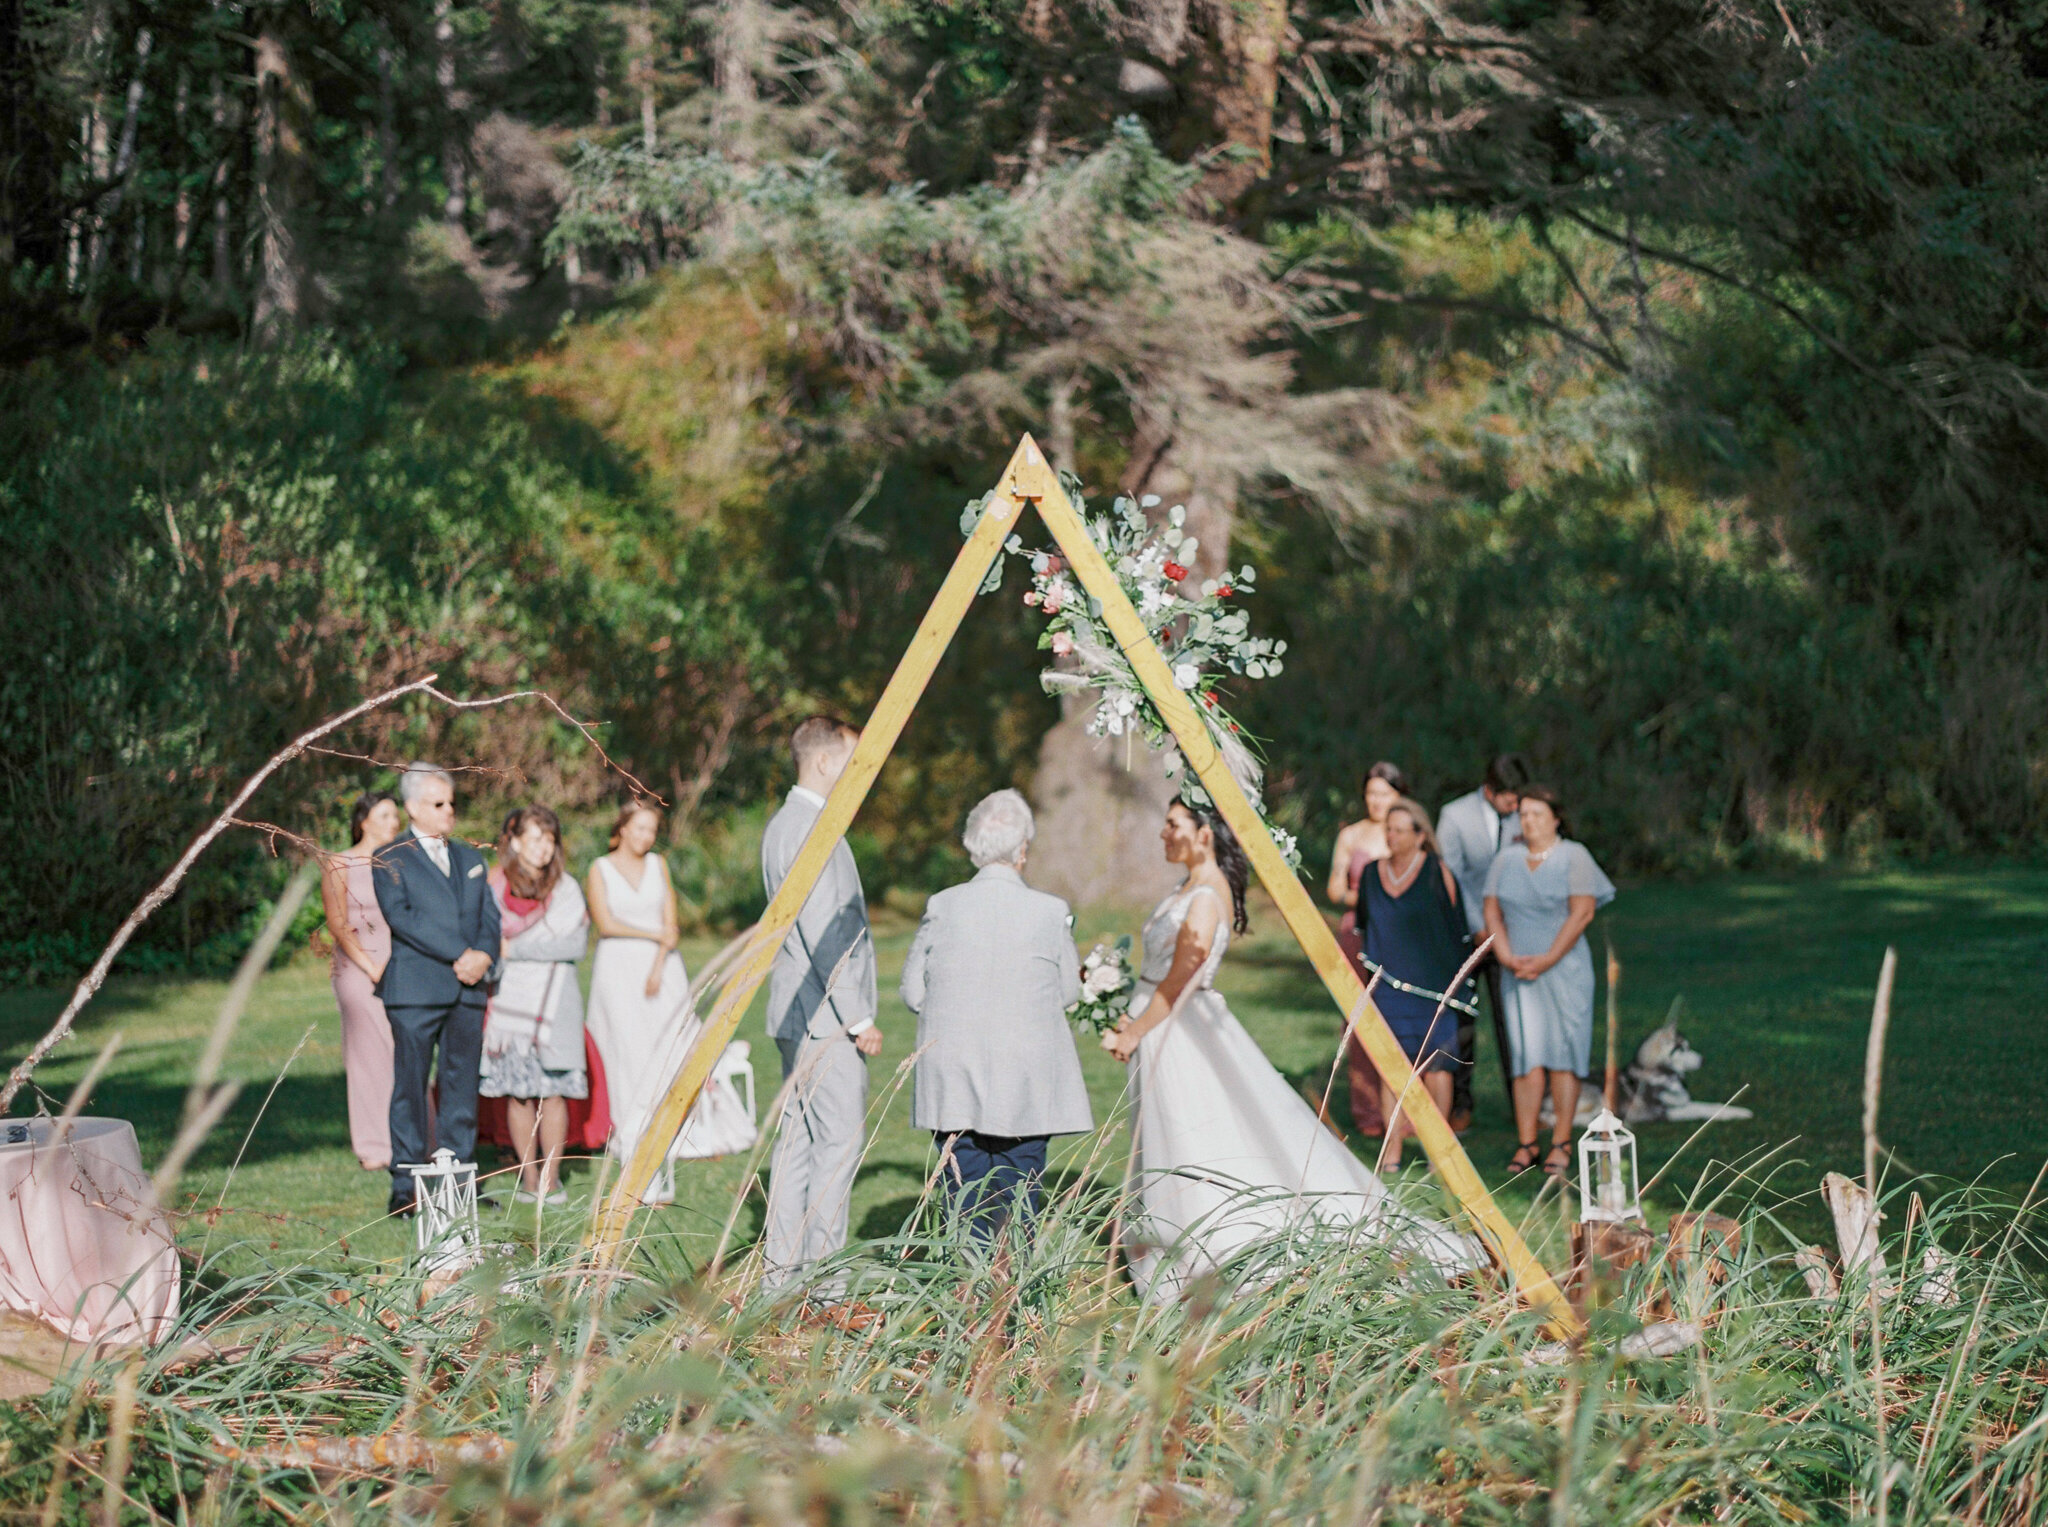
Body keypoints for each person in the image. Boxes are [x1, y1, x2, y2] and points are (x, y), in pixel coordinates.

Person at [1105, 801, 1479, 1302]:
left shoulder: (1204, 896)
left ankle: (1200, 1244)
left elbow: (1185, 971)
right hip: (1167, 1024)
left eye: (1173, 824)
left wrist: (1135, 1030)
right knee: (1180, 1130)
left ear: (1203, 835)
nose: (1163, 832)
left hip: (1177, 1027)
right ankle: (1170, 1236)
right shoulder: (1190, 887)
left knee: (1191, 1130)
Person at [899, 789, 1089, 1243]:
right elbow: (1069, 991)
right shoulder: (1050, 910)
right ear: (1022, 849)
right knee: (1020, 1183)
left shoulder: (942, 905)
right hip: (1024, 1073)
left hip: (954, 1069)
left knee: (961, 1182)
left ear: (972, 847)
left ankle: (964, 1287)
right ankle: (1010, 1291)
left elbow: (911, 991)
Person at [760, 716, 882, 1297]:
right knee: (836, 1144)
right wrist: (858, 1016)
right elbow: (823, 930)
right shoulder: (811, 827)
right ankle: (826, 1285)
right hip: (824, 1014)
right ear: (826, 761)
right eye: (852, 760)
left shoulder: (783, 823)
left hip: (795, 1008)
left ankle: (781, 1277)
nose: (859, 773)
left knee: (798, 1147)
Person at [586, 801, 755, 1205]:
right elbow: (606, 923)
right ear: (622, 827)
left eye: (651, 830)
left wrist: (659, 963)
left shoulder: (659, 865)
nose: (645, 837)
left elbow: (671, 925)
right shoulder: (600, 868)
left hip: (662, 970)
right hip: (618, 969)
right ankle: (631, 1132)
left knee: (673, 1046)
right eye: (639, 827)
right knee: (627, 1051)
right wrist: (652, 938)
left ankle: (687, 1130)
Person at [371, 762, 501, 1218]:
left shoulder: (471, 857)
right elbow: (404, 918)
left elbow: (490, 916)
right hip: (415, 990)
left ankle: (460, 1177)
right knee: (410, 1085)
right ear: (412, 807)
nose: (450, 810)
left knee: (462, 1084)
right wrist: (461, 954)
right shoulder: (390, 856)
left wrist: (483, 954)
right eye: (438, 803)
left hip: (467, 991)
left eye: (451, 802)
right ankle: (405, 1185)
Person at [1482, 784, 1616, 1179]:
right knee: (1525, 1058)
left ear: (1556, 817)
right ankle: (1527, 1143)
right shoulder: (1506, 859)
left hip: (1564, 971)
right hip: (1517, 969)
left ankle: (1560, 1142)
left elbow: (1582, 914)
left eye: (1537, 813)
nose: (1529, 821)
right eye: (1523, 814)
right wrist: (1505, 955)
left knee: (1563, 1056)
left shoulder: (1575, 856)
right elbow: (1491, 910)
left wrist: (1547, 960)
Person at [1355, 799, 1476, 1173]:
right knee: (1391, 1067)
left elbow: (1457, 927)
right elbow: (1363, 922)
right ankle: (1391, 1151)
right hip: (1388, 986)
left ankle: (1438, 1151)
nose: (1391, 836)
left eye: (1400, 830)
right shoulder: (1372, 874)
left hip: (1434, 988)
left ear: (1420, 835)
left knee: (1438, 1068)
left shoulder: (1438, 871)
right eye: (1388, 830)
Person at [481, 805, 589, 1206]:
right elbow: (488, 943)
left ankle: (552, 1178)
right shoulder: (494, 887)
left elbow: (573, 945)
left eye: (550, 838)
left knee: (553, 1093)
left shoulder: (567, 889)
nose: (544, 847)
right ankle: (529, 1179)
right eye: (536, 836)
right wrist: (510, 950)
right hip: (509, 1008)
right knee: (518, 1094)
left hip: (556, 1003)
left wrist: (516, 948)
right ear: (514, 840)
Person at [1437, 753, 1530, 1122]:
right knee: (1462, 1022)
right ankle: (1461, 1104)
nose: (1517, 805)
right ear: (1490, 791)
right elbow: (1452, 877)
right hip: (1464, 936)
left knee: (1515, 1024)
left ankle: (1521, 1106)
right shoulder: (1454, 816)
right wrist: (1478, 927)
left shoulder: (1523, 816)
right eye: (1510, 798)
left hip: (1511, 936)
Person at [320, 791, 402, 1171]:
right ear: (364, 821)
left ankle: (412, 1134)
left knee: (404, 1051)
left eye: (395, 816)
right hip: (358, 969)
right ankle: (374, 1146)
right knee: (369, 1053)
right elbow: (337, 922)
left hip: (399, 965)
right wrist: (371, 969)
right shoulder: (340, 863)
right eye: (385, 815)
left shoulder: (399, 863)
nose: (393, 823)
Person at [1325, 762, 1406, 1137]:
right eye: (1371, 793)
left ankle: (1405, 1107)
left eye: (1384, 793)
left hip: (1398, 935)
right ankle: (1367, 1110)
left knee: (1400, 1018)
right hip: (1357, 932)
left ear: (1398, 795)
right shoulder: (1352, 835)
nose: (1376, 800)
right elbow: (1335, 890)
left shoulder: (1406, 833)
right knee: (1358, 1020)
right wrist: (1372, 896)